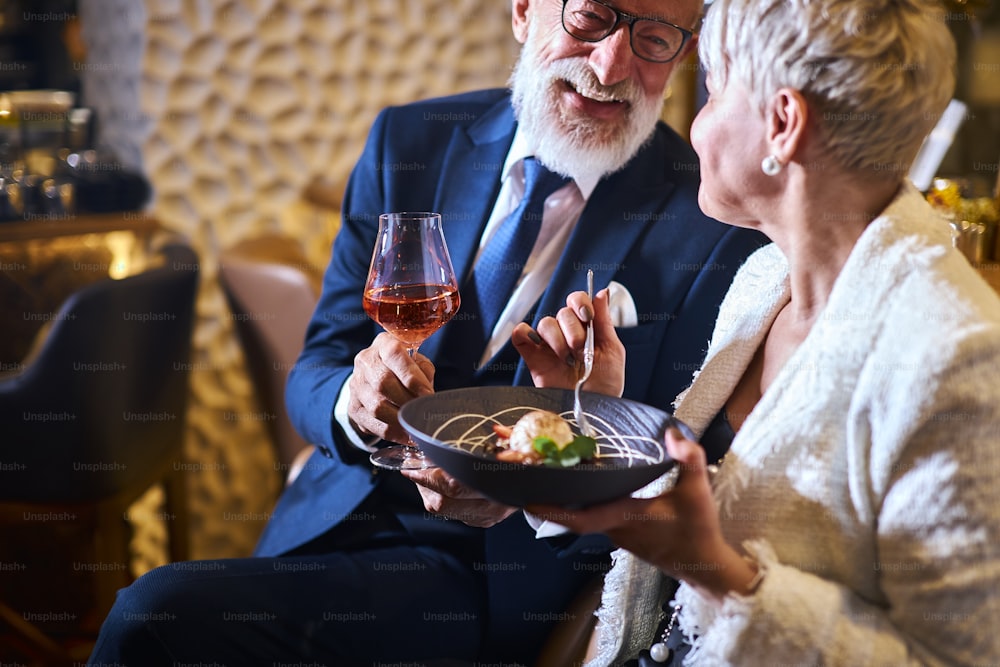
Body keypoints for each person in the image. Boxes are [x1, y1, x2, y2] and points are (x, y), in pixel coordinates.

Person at [87, 0, 767, 665]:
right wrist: (350, 406)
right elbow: (317, 362)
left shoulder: (711, 228)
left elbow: (667, 479)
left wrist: (536, 491)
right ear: (524, 11)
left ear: (683, 55)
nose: (613, 64)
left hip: (487, 577)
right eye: (591, 18)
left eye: (655, 39)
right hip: (331, 514)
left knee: (153, 617)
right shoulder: (410, 141)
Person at [517, 0, 1000, 664]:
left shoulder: (958, 356)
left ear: (782, 125)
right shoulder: (763, 279)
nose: (695, 127)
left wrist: (719, 573)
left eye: (713, 91)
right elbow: (682, 527)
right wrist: (597, 417)